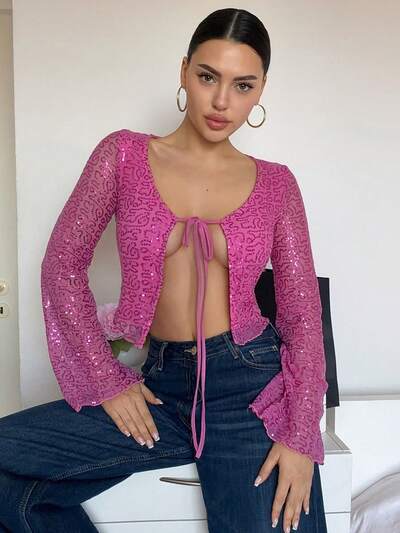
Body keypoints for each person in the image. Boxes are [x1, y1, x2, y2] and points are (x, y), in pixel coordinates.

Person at [0, 7, 328, 533]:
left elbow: (302, 314)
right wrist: (106, 379)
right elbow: (62, 266)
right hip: (159, 386)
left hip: (247, 390)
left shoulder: (276, 184)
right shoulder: (123, 156)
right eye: (208, 77)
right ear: (183, 72)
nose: (222, 101)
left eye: (243, 86)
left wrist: (300, 433)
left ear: (261, 91)